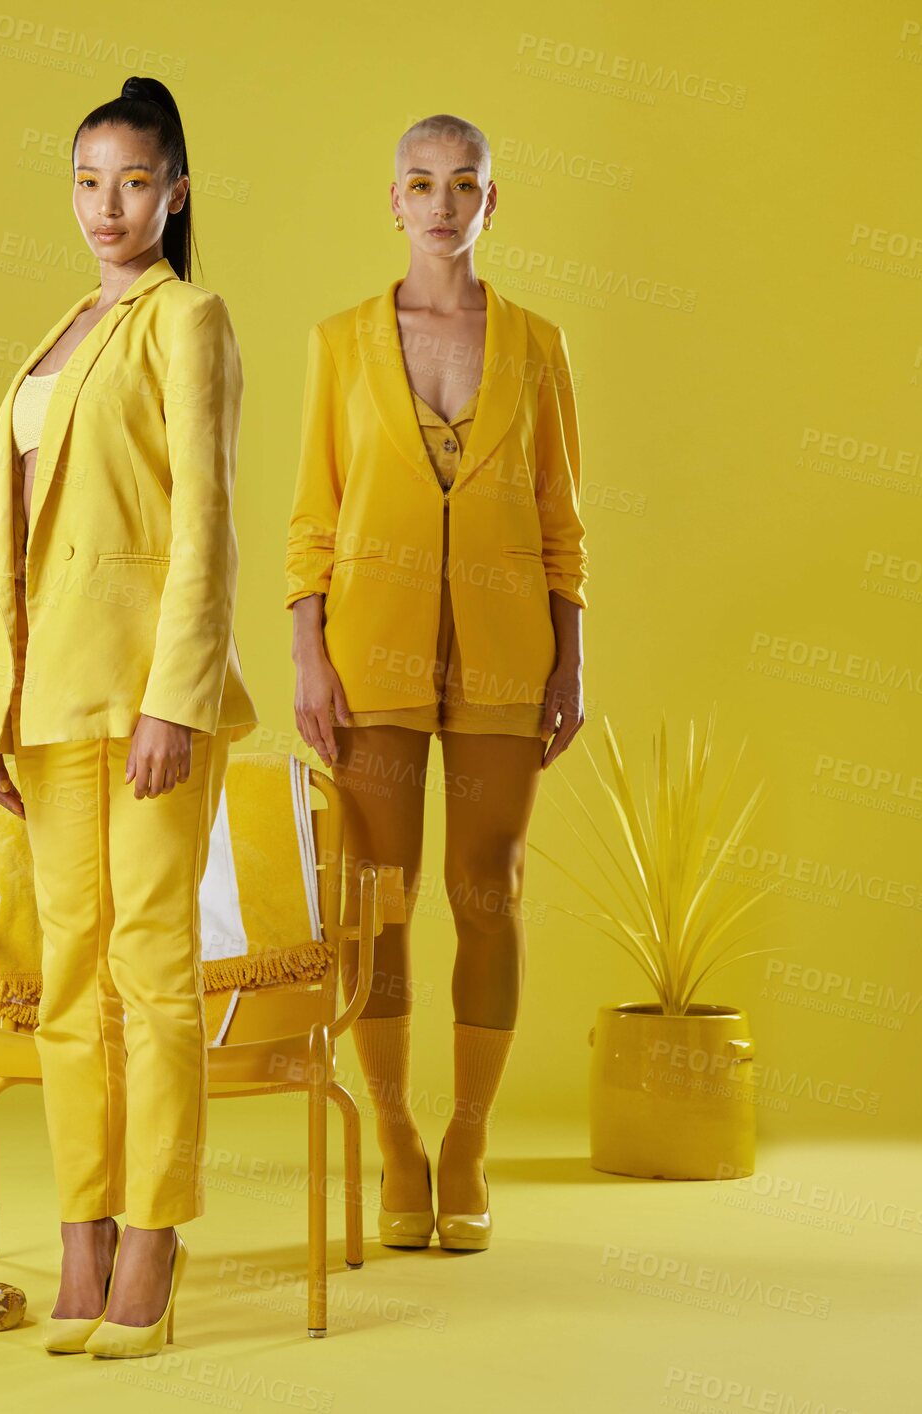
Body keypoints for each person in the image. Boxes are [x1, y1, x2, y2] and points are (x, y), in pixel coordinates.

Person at [0, 75, 257, 1357]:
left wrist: (176, 699)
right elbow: (8, 545)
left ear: (176, 190)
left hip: (143, 704)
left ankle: (157, 1236)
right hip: (46, 705)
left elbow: (207, 525)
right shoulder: (67, 325)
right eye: (87, 181)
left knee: (151, 964)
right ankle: (81, 1236)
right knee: (62, 975)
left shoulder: (189, 320)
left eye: (133, 181)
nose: (108, 206)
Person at [284, 113, 589, 1253]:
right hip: (370, 649)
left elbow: (564, 519)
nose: (444, 201)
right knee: (377, 891)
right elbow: (312, 517)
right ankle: (397, 1140)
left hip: (510, 649)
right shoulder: (338, 342)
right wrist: (309, 649)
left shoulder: (538, 346)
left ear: (491, 203)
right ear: (395, 202)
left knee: (490, 885)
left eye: (466, 183)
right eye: (422, 182)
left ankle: (466, 1139)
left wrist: (573, 651)